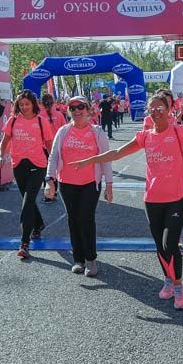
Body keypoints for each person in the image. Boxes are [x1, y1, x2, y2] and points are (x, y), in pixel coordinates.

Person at [69, 95, 183, 310]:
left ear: (169, 109)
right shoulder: (145, 136)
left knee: (170, 244)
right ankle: (168, 280)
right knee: (160, 247)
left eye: (160, 108)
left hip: (176, 198)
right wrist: (89, 160)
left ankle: (179, 286)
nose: (155, 112)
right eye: (151, 109)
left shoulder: (178, 131)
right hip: (152, 200)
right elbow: (117, 153)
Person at [44, 96, 112, 276]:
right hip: (67, 183)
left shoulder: (97, 132)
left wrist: (109, 184)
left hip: (90, 183)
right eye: (72, 108)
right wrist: (49, 179)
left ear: (89, 109)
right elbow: (54, 157)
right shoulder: (63, 131)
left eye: (81, 106)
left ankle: (90, 259)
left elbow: (106, 158)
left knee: (86, 219)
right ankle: (78, 259)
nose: (76, 111)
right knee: (73, 219)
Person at [0, 90, 54, 259]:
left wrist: (53, 166)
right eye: (21, 104)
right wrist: (2, 155)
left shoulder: (41, 121)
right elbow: (5, 140)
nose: (24, 107)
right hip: (19, 165)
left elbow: (49, 143)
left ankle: (24, 243)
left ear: (33, 104)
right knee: (27, 199)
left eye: (27, 104)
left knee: (28, 201)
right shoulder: (13, 120)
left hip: (38, 165)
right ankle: (38, 225)